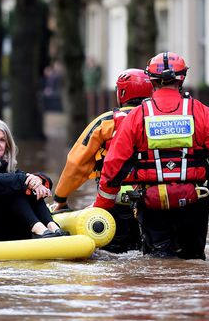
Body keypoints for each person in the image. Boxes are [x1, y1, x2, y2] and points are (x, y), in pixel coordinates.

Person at [94, 52, 209, 259]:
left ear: (151, 80)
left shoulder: (136, 116)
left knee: (158, 263)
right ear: (182, 78)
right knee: (193, 262)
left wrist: (102, 208)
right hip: (195, 201)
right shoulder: (205, 114)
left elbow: (114, 166)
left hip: (151, 203)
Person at [51, 68, 153, 253]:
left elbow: (76, 163)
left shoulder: (106, 122)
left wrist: (61, 198)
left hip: (113, 198)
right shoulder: (159, 121)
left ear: (121, 93)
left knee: (114, 254)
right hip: (156, 197)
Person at [0, 115, 67, 242]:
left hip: (3, 226)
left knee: (28, 188)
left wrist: (38, 180)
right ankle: (39, 229)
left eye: (2, 140)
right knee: (12, 186)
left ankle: (52, 226)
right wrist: (25, 180)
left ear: (7, 144)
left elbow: (23, 179)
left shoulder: (6, 167)